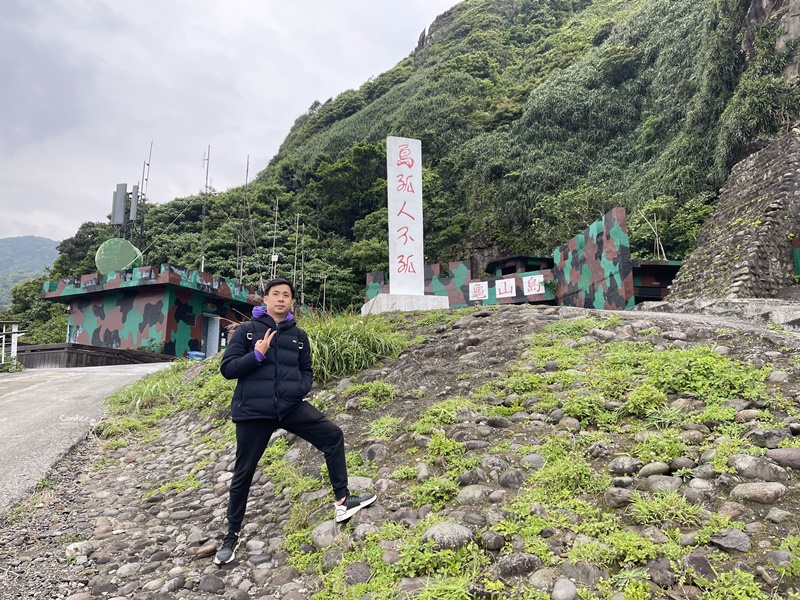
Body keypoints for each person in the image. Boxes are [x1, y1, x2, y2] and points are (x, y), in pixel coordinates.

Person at [214, 278, 376, 565]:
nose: (280, 299)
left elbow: (307, 372)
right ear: (264, 299)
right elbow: (228, 369)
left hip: (288, 407)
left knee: (332, 436)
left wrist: (296, 391)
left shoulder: (298, 335)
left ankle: (342, 502)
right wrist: (257, 355)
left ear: (291, 302)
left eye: (286, 295)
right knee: (243, 473)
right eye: (275, 294)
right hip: (254, 411)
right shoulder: (248, 332)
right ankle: (232, 535)